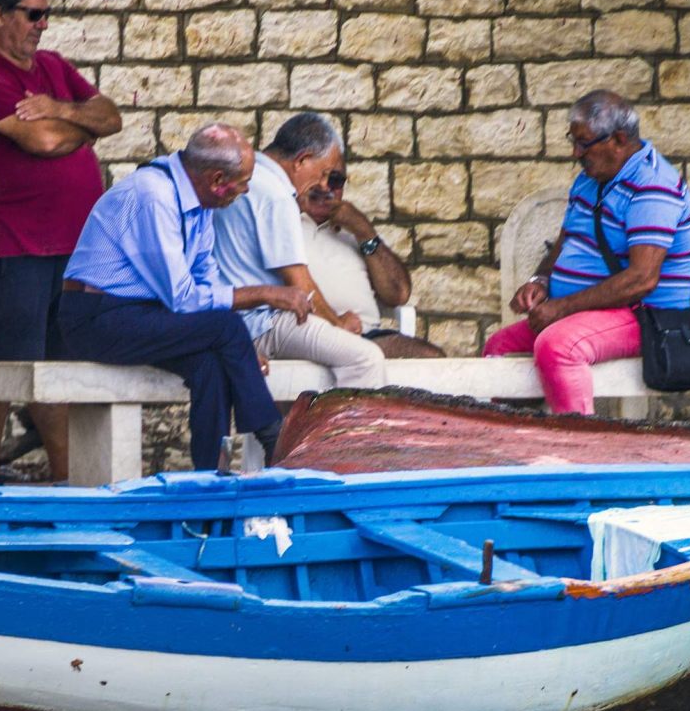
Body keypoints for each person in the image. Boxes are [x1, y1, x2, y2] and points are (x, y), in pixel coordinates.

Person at [0, 0, 122, 479]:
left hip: (75, 245)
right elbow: (42, 141)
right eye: (33, 14)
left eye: (46, 15)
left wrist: (59, 109)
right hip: (16, 242)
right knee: (0, 359)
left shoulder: (51, 68)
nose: (42, 24)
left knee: (57, 365)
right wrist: (79, 125)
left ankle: (66, 475)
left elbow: (110, 116)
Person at [58, 124, 312, 471]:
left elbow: (204, 279)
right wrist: (264, 294)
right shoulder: (154, 195)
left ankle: (211, 474)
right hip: (94, 318)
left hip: (142, 313)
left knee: (211, 364)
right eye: (243, 182)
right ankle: (274, 439)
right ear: (217, 179)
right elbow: (184, 298)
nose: (246, 189)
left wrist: (238, 346)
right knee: (224, 327)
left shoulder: (201, 202)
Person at [483, 89, 690, 415]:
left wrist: (562, 308)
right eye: (573, 141)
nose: (575, 153)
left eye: (583, 144)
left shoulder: (653, 185)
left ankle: (580, 448)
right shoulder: (589, 181)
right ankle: (520, 437)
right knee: (498, 347)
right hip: (584, 312)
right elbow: (565, 244)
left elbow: (642, 279)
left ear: (619, 140)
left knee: (558, 346)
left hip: (645, 317)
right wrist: (539, 280)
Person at [213, 112, 386, 388]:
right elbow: (299, 283)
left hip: (228, 323)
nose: (323, 185)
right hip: (261, 323)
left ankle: (303, 431)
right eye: (323, 173)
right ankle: (345, 433)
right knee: (365, 358)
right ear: (302, 160)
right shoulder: (277, 195)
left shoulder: (245, 176)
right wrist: (339, 324)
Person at [297, 168, 445, 359]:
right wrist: (335, 323)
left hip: (366, 337)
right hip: (307, 335)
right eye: (318, 178)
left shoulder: (352, 230)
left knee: (430, 357)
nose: (326, 188)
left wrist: (364, 231)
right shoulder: (284, 223)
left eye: (336, 180)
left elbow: (398, 294)